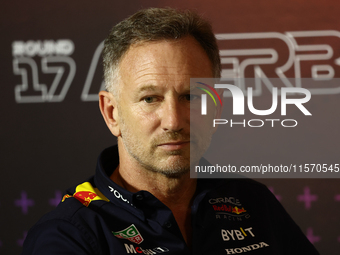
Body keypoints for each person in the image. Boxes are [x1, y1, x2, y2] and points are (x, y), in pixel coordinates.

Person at [22, 8, 319, 255]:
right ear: (112, 113)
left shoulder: (254, 202)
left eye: (191, 97)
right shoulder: (68, 236)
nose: (173, 120)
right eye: (150, 98)